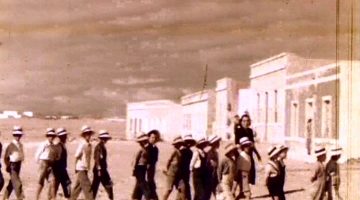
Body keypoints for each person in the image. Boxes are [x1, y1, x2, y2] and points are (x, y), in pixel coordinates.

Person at [234, 114, 261, 186]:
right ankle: (237, 191)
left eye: (247, 121)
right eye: (244, 121)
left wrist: (257, 154)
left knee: (250, 171)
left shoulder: (250, 131)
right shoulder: (238, 130)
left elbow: (252, 144)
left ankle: (244, 190)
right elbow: (237, 144)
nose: (245, 123)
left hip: (250, 153)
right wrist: (242, 155)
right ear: (241, 122)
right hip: (241, 154)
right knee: (240, 172)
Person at [70, 125, 94, 200]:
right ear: (83, 135)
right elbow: (76, 156)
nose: (88, 135)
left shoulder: (89, 144)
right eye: (86, 134)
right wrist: (75, 168)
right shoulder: (82, 144)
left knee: (78, 187)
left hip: (85, 168)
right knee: (88, 187)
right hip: (81, 168)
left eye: (89, 133)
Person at [35, 128, 57, 200]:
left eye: (52, 136)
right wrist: (39, 163)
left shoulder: (53, 145)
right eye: (50, 136)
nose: (51, 137)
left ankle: (53, 198)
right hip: (43, 163)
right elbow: (38, 154)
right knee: (41, 181)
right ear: (47, 136)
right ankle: (37, 197)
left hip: (50, 164)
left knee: (53, 181)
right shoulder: (44, 144)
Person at [3, 126, 25, 200]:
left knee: (12, 183)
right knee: (18, 183)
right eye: (16, 135)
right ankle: (20, 198)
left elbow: (20, 156)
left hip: (18, 165)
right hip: (12, 166)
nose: (17, 137)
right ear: (13, 135)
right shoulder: (11, 146)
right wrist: (8, 166)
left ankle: (5, 197)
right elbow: (6, 157)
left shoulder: (20, 145)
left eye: (19, 135)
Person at [91, 130, 114, 200]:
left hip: (101, 170)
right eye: (105, 138)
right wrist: (99, 169)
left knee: (95, 186)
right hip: (100, 170)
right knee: (106, 185)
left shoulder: (101, 146)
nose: (106, 140)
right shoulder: (99, 147)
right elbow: (97, 159)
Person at [49, 128, 71, 199]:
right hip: (60, 170)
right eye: (64, 136)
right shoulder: (60, 147)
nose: (65, 137)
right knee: (66, 187)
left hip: (60, 170)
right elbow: (56, 159)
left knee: (57, 188)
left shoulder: (60, 146)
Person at [131, 133, 151, 200]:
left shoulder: (145, 148)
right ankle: (146, 196)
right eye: (144, 141)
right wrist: (134, 169)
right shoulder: (140, 149)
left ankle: (135, 197)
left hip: (143, 168)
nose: (146, 142)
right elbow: (135, 159)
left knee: (139, 183)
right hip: (139, 168)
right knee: (142, 183)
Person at [177, 134, 196, 200]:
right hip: (182, 174)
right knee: (184, 192)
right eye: (187, 142)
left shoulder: (185, 152)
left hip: (184, 174)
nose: (189, 144)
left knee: (182, 192)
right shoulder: (184, 152)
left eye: (189, 142)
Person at [206, 135, 221, 199]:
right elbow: (212, 165)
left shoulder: (215, 152)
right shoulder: (210, 153)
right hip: (209, 176)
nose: (219, 143)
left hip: (214, 176)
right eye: (217, 142)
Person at [146, 130, 160, 200]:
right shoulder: (146, 147)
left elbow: (155, 159)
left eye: (155, 138)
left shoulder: (156, 148)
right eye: (152, 137)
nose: (153, 139)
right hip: (146, 169)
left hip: (152, 169)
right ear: (148, 137)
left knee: (150, 183)